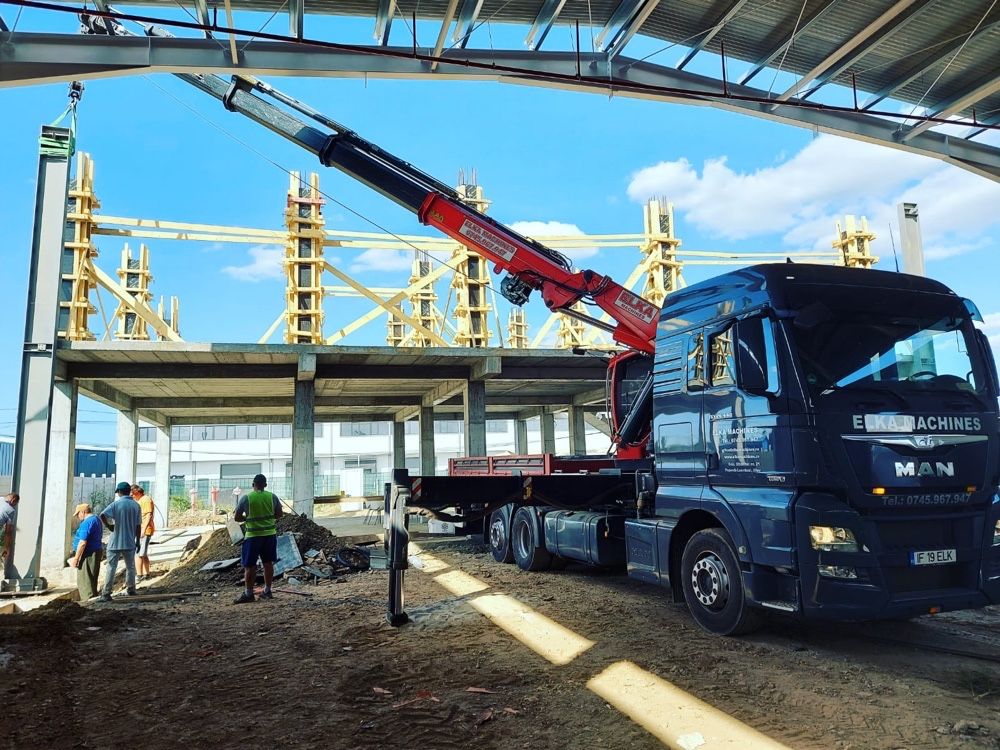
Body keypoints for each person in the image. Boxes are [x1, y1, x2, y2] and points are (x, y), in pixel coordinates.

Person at [232, 474, 283, 604]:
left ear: (253, 484)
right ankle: (267, 591)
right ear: (265, 485)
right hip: (269, 535)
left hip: (253, 537)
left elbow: (237, 518)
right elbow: (279, 515)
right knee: (268, 564)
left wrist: (247, 518)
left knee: (250, 566)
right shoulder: (272, 497)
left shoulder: (247, 498)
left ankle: (249, 594)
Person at [98, 481, 142, 601]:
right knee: (131, 566)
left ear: (119, 492)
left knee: (111, 567)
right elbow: (138, 526)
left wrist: (109, 526)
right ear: (129, 491)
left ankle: (106, 594)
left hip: (114, 542)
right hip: (129, 542)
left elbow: (102, 515)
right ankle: (131, 589)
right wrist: (137, 541)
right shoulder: (136, 505)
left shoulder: (116, 505)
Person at [69, 503, 104, 600]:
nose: (77, 516)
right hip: (94, 552)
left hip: (88, 554)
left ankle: (88, 601)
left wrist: (76, 558)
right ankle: (92, 598)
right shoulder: (96, 519)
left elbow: (82, 542)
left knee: (85, 580)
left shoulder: (87, 522)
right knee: (91, 578)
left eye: (78, 514)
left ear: (83, 512)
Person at [131, 484, 155, 582]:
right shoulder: (142, 500)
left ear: (137, 492)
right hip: (143, 529)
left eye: (133, 494)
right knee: (143, 553)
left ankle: (139, 575)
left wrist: (143, 530)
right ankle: (146, 573)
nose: (132, 496)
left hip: (143, 530)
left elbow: (148, 515)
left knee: (138, 554)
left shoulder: (145, 500)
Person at [0, 493, 19, 563]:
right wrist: (6, 548)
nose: (15, 506)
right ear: (13, 500)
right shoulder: (11, 510)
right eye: (15, 504)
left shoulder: (1, 499)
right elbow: (8, 532)